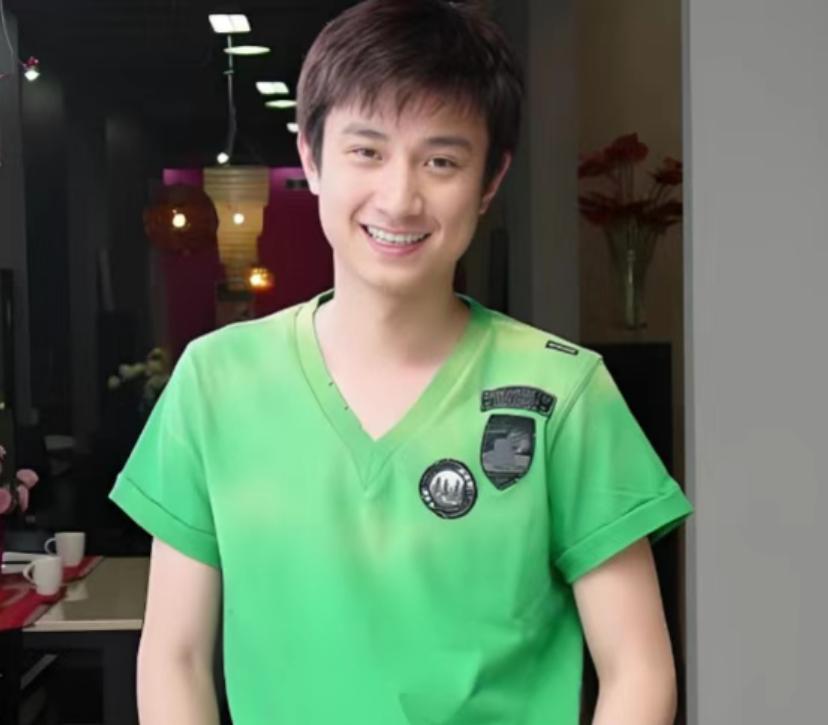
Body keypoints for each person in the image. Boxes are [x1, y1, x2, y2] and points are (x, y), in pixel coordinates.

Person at [109, 1, 694, 723]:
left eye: (441, 161)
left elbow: (638, 669)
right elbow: (175, 656)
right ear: (311, 156)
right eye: (367, 151)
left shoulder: (562, 392)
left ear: (489, 181)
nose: (399, 197)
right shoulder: (215, 381)